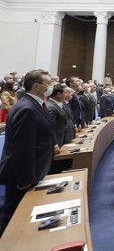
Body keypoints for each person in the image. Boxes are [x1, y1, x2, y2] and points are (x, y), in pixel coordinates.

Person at [0, 69, 55, 236]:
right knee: (14, 218)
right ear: (36, 86)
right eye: (48, 82)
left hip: (34, 171)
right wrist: (25, 181)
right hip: (22, 176)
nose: (51, 85)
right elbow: (22, 148)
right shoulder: (27, 108)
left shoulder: (35, 104)